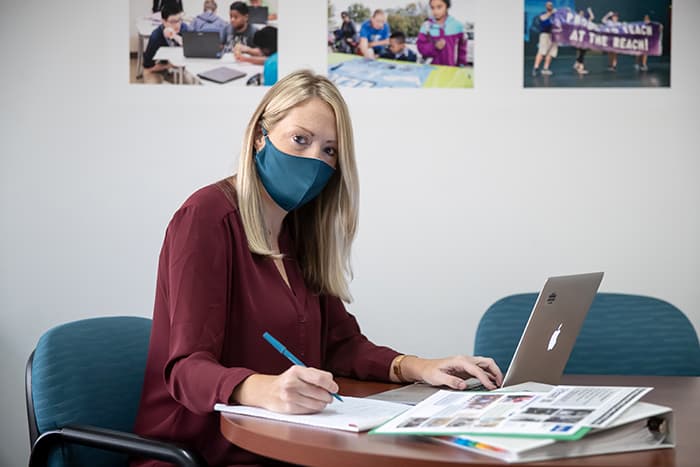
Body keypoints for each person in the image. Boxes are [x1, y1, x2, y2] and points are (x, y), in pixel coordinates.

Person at [131, 70, 503, 467]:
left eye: (329, 151)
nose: (314, 161)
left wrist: (418, 367)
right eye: (300, 140)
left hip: (283, 442)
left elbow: (341, 346)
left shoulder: (299, 232)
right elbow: (186, 369)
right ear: (260, 135)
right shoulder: (206, 218)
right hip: (203, 452)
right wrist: (264, 389)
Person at [142, 2, 195, 84]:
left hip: (178, 70)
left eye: (179, 20)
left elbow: (193, 51)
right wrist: (169, 66)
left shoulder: (184, 28)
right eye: (173, 21)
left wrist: (176, 37)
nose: (177, 25)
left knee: (190, 83)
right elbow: (147, 68)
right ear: (164, 21)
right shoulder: (156, 37)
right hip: (157, 69)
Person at [416, 0, 467, 67]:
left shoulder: (458, 26)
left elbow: (462, 50)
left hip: (450, 71)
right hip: (429, 71)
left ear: (447, 6)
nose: (435, 11)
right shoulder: (425, 26)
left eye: (439, 7)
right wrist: (434, 47)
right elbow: (420, 47)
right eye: (432, 8)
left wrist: (461, 66)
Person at [532, 1, 557, 76]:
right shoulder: (543, 14)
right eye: (548, 5)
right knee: (542, 51)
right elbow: (542, 19)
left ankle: (545, 69)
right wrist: (551, 12)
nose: (550, 6)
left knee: (550, 53)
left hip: (553, 36)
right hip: (545, 35)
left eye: (551, 5)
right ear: (546, 6)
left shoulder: (555, 15)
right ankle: (535, 68)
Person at [573, 7, 594, 75]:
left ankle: (577, 63)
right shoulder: (576, 20)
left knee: (583, 52)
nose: (581, 14)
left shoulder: (585, 20)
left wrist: (590, 11)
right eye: (580, 13)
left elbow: (592, 17)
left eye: (582, 13)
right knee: (582, 52)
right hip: (579, 39)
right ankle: (580, 68)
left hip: (584, 39)